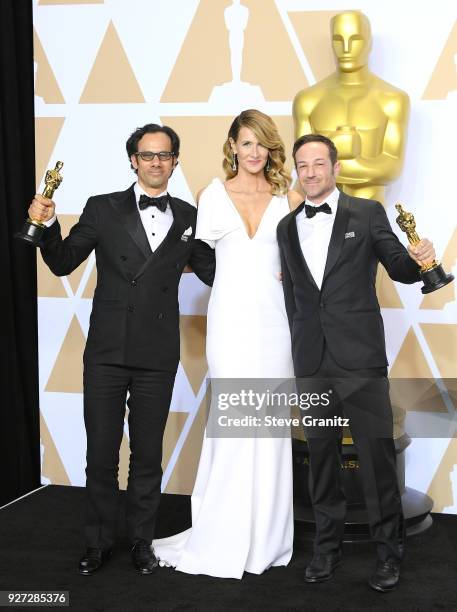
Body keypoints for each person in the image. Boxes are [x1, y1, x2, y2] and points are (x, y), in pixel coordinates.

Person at [28, 123, 215, 576]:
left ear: (175, 160)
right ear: (133, 159)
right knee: (102, 455)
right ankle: (96, 543)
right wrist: (47, 223)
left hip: (157, 353)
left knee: (148, 455)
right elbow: (62, 261)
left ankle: (142, 543)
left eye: (164, 155)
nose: (155, 162)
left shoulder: (192, 217)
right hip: (107, 351)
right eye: (147, 155)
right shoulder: (103, 208)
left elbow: (217, 273)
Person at [277, 134, 435, 592]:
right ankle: (327, 550)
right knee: (321, 461)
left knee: (376, 460)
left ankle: (389, 555)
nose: (310, 173)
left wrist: (419, 260)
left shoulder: (366, 214)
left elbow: (398, 268)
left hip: (360, 361)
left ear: (335, 168)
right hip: (312, 361)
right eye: (301, 165)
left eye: (318, 164)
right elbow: (294, 298)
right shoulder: (286, 228)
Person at [153, 109, 302, 578]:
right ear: (232, 147)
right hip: (231, 323)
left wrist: (293, 275)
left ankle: (267, 540)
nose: (254, 152)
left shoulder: (290, 197)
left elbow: (310, 256)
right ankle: (224, 534)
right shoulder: (212, 196)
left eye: (261, 143)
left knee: (271, 427)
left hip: (277, 325)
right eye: (246, 143)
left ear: (270, 148)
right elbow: (197, 260)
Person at [293, 10, 409, 205]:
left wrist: (327, 165)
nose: (346, 49)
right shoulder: (308, 100)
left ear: (369, 43)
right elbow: (302, 166)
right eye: (338, 40)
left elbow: (391, 167)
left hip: (369, 215)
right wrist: (359, 164)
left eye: (355, 40)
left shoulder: (393, 99)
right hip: (320, 217)